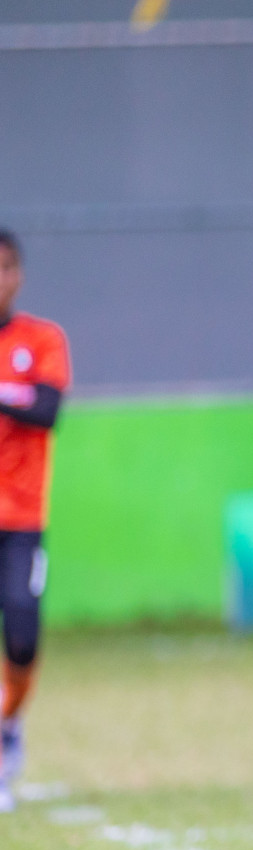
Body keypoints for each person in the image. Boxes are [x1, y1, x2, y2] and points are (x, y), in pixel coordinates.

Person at [0, 229, 71, 814]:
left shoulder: (41, 339)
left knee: (22, 633)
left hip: (22, 517)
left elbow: (46, 409)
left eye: (4, 268)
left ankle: (10, 723)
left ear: (18, 274)